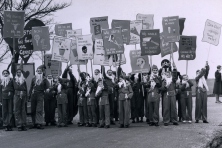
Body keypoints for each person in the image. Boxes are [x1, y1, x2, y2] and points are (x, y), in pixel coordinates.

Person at [29, 65, 48, 129]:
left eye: (40, 71)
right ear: (36, 71)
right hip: (33, 95)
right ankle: (34, 123)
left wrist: (46, 90)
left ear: (42, 72)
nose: (39, 72)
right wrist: (29, 95)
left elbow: (48, 87)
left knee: (39, 109)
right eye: (38, 71)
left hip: (40, 94)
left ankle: (39, 123)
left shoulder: (44, 79)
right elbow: (31, 87)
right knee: (33, 109)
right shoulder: (33, 78)